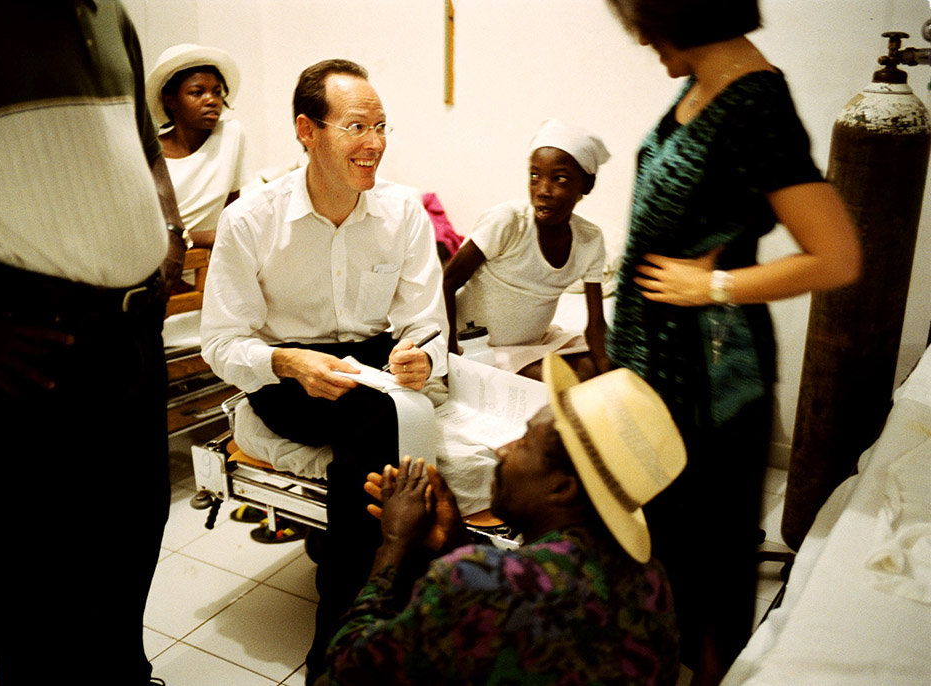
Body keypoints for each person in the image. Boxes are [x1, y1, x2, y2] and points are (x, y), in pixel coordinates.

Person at [602, 1, 862, 683]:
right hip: (656, 363)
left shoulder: (756, 106)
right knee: (658, 549)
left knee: (709, 561)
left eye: (650, 32)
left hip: (708, 380)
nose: (647, 47)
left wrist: (711, 289)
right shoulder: (700, 83)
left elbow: (837, 257)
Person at [0, 3, 187, 684]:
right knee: (39, 573)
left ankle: (118, 672)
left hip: (133, 327)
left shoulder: (111, 14)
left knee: (132, 535)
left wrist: (171, 226)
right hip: (34, 336)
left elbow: (144, 145)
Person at [200, 58, 447, 684]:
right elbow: (222, 344)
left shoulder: (403, 212)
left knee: (385, 406)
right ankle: (342, 642)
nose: (375, 144)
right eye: (358, 127)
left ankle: (367, 621)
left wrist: (421, 354)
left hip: (370, 363)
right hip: (286, 370)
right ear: (307, 130)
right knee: (377, 417)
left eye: (383, 126)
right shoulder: (251, 221)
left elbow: (426, 322)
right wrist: (285, 360)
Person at [326, 354, 686, 685]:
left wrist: (393, 544)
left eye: (524, 443)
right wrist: (457, 541)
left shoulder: (473, 580)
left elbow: (347, 667)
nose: (502, 449)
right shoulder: (653, 581)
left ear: (562, 488)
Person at [443, 119, 612, 380]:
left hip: (535, 342)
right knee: (556, 381)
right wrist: (449, 349)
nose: (543, 190)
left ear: (586, 185)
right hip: (481, 347)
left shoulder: (589, 239)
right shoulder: (508, 222)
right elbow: (448, 280)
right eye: (535, 176)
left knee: (590, 370)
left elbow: (596, 325)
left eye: (560, 178)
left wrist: (608, 369)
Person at [146, 43, 248, 249]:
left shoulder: (231, 136)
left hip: (212, 266)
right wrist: (208, 237)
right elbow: (147, 233)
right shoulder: (149, 152)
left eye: (217, 92)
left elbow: (233, 213)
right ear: (170, 101)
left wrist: (200, 239)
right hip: (164, 270)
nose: (211, 100)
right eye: (197, 92)